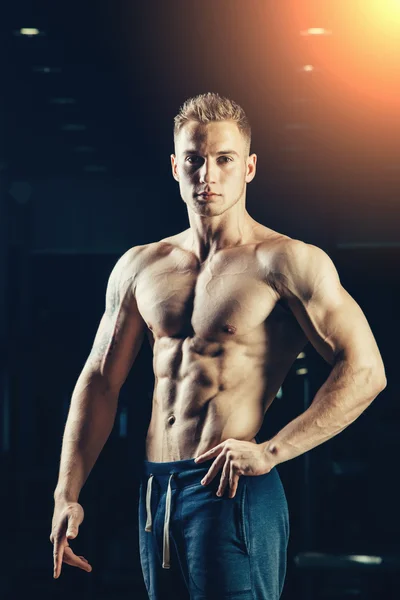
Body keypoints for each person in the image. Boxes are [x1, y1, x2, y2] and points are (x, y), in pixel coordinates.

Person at [50, 92, 386, 599]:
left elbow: (365, 371)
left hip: (232, 490)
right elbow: (100, 381)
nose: (207, 174)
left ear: (249, 167)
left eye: (224, 160)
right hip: (155, 492)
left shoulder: (285, 261)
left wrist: (274, 451)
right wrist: (66, 493)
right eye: (194, 159)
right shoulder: (141, 266)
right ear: (175, 166)